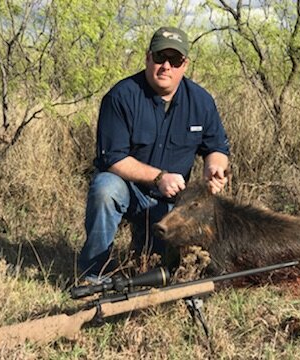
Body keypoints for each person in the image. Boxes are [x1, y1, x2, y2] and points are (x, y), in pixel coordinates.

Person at [78, 26, 230, 281]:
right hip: (131, 191)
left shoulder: (202, 101)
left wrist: (215, 167)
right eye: (160, 58)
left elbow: (217, 148)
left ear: (185, 64)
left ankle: (167, 256)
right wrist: (159, 177)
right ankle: (93, 274)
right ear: (148, 57)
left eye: (175, 60)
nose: (166, 66)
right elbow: (112, 158)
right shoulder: (121, 96)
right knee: (105, 188)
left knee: (162, 264)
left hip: (173, 202)